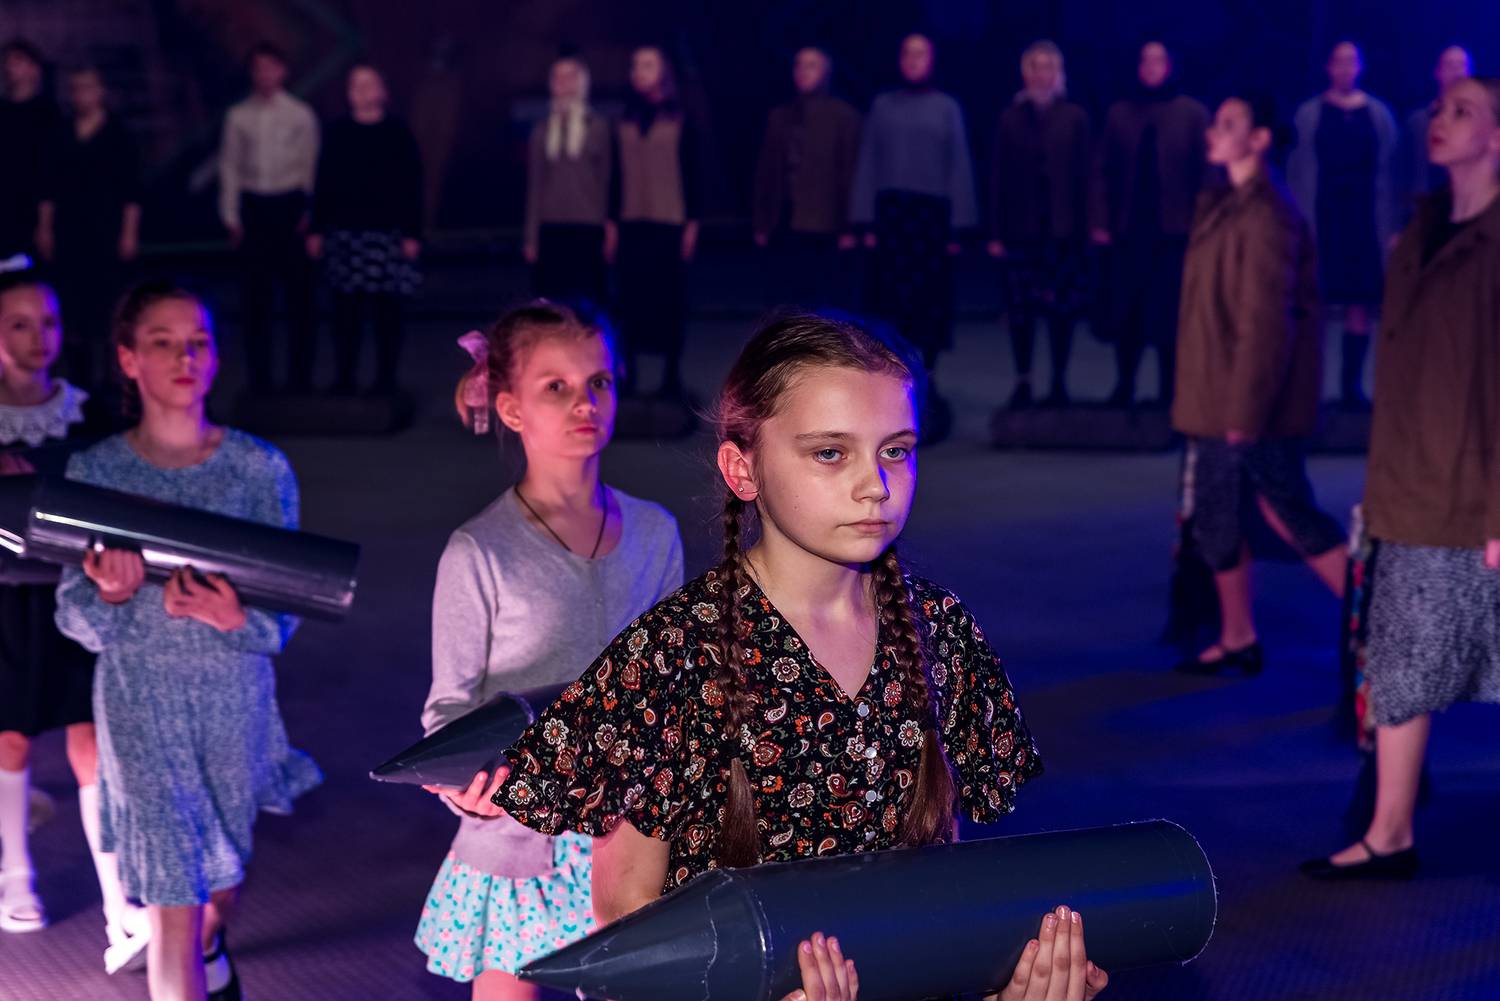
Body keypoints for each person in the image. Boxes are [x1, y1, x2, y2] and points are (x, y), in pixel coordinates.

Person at [494, 312, 1109, 1001]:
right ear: (743, 468)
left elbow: (943, 877)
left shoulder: (941, 630)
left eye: (896, 450)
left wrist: (1004, 988)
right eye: (830, 453)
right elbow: (625, 914)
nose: (875, 485)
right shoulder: (674, 653)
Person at [55, 281, 321, 999]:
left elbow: (290, 601)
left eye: (198, 342)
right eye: (163, 343)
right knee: (174, 896)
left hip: (231, 700)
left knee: (216, 889)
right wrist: (111, 595)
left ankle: (210, 949)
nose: (184, 358)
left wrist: (239, 620)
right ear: (128, 359)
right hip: (139, 701)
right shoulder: (97, 472)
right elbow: (73, 615)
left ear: (216, 355)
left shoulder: (259, 468)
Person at [413, 301, 683, 999]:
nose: (584, 402)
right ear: (511, 409)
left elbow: (674, 684)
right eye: (555, 387)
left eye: (599, 382)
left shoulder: (655, 533)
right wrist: (470, 789)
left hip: (627, 838)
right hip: (516, 846)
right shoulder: (479, 550)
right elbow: (448, 707)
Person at [1301, 77, 1500, 881]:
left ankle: (1390, 831)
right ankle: (1389, 833)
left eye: (1464, 111)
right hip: (1415, 485)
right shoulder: (1422, 225)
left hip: (1478, 497)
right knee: (1399, 660)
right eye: (1440, 108)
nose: (1440, 120)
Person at [1171, 93, 1347, 676]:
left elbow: (1265, 323)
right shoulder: (1224, 204)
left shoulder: (1268, 214)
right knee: (1219, 516)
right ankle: (1238, 636)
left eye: (1228, 123)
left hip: (1246, 403)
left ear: (1260, 138)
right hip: (1217, 393)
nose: (1213, 132)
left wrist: (1244, 411)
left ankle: (1378, 625)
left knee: (1284, 511)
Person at [0, 272, 146, 974]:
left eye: (49, 323)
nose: (39, 337)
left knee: (93, 735)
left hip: (75, 592)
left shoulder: (88, 414)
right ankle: (15, 875)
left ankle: (120, 903)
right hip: (3, 602)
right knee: (9, 736)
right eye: (20, 324)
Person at [851, 33, 975, 418]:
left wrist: (958, 226)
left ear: (932, 59)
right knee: (888, 302)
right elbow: (869, 160)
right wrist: (864, 220)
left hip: (931, 219)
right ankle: (890, 380)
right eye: (907, 53)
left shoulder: (946, 107)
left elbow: (958, 164)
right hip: (892, 217)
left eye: (921, 53)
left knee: (930, 302)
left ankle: (929, 382)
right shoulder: (883, 105)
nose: (913, 59)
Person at [1092, 41, 1209, 409]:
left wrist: (1202, 224)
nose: (1151, 66)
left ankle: (1168, 391)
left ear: (1171, 65)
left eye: (1159, 60)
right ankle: (1124, 383)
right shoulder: (1120, 113)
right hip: (1130, 230)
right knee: (1128, 309)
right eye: (1145, 60)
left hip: (1175, 231)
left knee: (1168, 313)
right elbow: (1102, 170)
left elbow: (1205, 174)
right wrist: (1101, 221)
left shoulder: (1191, 113)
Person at [1288, 41, 1398, 411]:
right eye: (1339, 62)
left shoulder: (1378, 114)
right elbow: (1298, 168)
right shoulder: (1310, 113)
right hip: (1323, 216)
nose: (1346, 68)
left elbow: (1389, 170)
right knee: (1315, 301)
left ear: (1360, 67)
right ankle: (1310, 388)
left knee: (1359, 303)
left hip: (1363, 219)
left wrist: (1391, 226)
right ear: (1329, 67)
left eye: (1352, 62)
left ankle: (1352, 388)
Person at [307, 63, 423, 397]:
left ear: (383, 91)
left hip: (387, 235)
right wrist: (317, 229)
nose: (361, 90)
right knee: (345, 311)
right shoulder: (337, 132)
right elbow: (323, 181)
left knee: (388, 311)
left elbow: (412, 184)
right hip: (345, 234)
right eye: (355, 84)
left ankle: (385, 378)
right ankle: (345, 376)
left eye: (369, 84)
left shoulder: (398, 133)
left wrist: (412, 232)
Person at [988, 41, 1092, 409]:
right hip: (1021, 231)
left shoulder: (1075, 117)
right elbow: (998, 176)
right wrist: (996, 232)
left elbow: (1086, 175)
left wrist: (1087, 227)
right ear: (1025, 73)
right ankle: (1024, 379)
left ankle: (1059, 380)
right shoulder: (1010, 118)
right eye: (1035, 67)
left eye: (1048, 67)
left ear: (1058, 73)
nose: (1042, 74)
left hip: (1063, 232)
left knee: (1062, 311)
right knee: (1021, 311)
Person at [218, 41, 319, 396]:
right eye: (258, 68)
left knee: (299, 298)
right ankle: (260, 379)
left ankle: (300, 379)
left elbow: (310, 165)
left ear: (283, 71)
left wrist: (310, 213)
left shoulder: (300, 114)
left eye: (271, 67)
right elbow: (230, 166)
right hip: (254, 207)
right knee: (256, 299)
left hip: (290, 206)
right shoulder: (238, 116)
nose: (265, 74)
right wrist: (231, 215)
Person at [35, 66, 142, 393]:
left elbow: (131, 190)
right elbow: (48, 186)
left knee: (108, 305)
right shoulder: (60, 133)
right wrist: (45, 227)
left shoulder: (117, 134)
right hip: (69, 230)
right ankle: (79, 382)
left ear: (100, 91)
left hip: (106, 229)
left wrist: (129, 232)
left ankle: (112, 382)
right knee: (72, 306)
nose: (80, 94)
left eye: (87, 87)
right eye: (75, 88)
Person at [612, 46, 701, 401]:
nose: (639, 70)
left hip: (669, 223)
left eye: (647, 65)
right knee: (630, 299)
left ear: (663, 72)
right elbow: (615, 176)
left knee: (669, 299)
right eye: (635, 65)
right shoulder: (624, 120)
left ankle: (670, 376)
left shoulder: (680, 119)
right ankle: (630, 373)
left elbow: (693, 174)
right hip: (632, 223)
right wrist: (610, 222)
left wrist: (692, 223)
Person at [752, 47, 862, 309]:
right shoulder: (780, 116)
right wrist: (762, 220)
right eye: (799, 65)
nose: (803, 71)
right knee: (785, 297)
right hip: (784, 220)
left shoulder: (844, 116)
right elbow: (766, 171)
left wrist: (849, 227)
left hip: (825, 224)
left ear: (826, 72)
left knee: (822, 298)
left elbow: (850, 172)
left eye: (811, 65)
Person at [523, 56, 614, 308]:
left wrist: (609, 228)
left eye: (570, 76)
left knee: (589, 302)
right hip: (551, 229)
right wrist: (531, 237)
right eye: (557, 77)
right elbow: (535, 186)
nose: (563, 83)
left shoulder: (598, 127)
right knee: (551, 303)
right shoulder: (542, 130)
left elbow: (607, 180)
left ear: (582, 82)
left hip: (588, 228)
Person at [0, 39, 58, 261]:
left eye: (18, 61)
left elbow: (49, 173)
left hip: (33, 214)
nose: (9, 67)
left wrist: (45, 224)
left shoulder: (48, 115)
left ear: (35, 69)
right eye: (7, 61)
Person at [1400, 46, 1471, 214]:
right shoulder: (1417, 123)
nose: (1457, 72)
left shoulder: (1482, 123)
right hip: (1427, 213)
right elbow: (1402, 177)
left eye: (1461, 65)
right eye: (1450, 65)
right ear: (1438, 72)